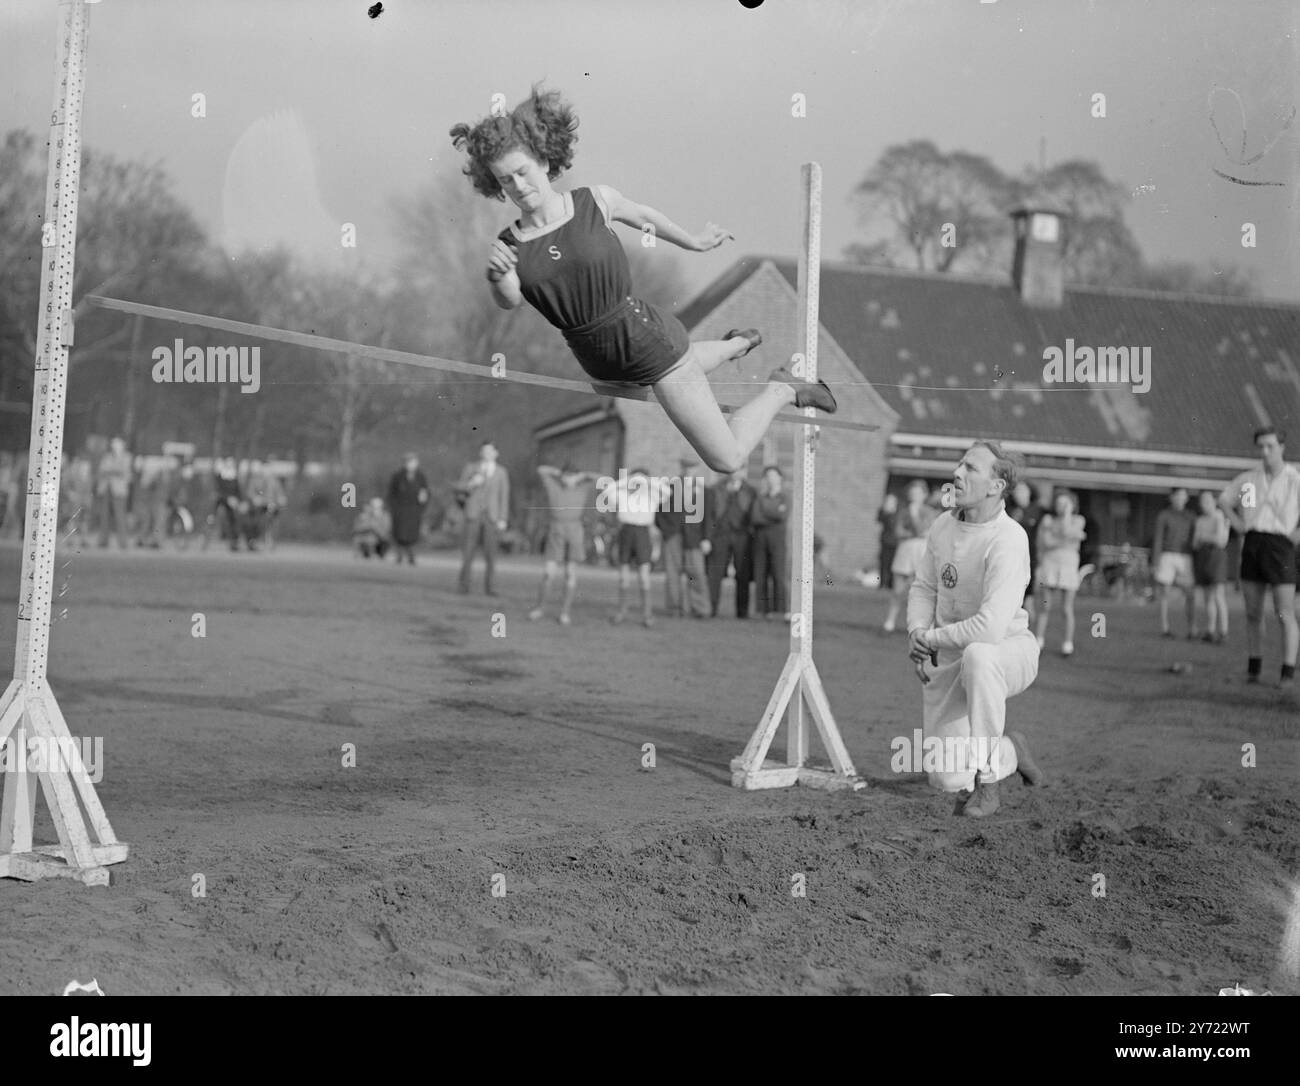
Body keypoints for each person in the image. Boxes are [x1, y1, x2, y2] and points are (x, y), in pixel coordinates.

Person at [451, 86, 838, 478]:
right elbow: (510, 299)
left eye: (522, 172)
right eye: (506, 181)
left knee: (728, 459)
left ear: (543, 160)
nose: (518, 186)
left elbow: (641, 215)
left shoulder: (592, 202)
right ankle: (736, 344)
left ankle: (783, 388)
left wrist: (695, 241)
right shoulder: (510, 243)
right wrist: (498, 277)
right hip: (600, 363)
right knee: (682, 365)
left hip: (643, 341)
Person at [907, 440, 1044, 819]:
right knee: (947, 779)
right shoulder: (942, 525)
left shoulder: (1010, 538)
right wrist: (916, 632)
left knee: (979, 655)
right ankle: (1011, 750)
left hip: (1008, 651)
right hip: (951, 653)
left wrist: (929, 638)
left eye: (970, 468)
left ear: (995, 486)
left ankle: (989, 783)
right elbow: (924, 587)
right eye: (960, 464)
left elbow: (988, 628)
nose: (957, 473)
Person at [1219, 427, 1300, 690]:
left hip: (1281, 546)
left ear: (1281, 447)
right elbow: (1224, 500)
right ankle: (1254, 666)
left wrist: (1295, 534)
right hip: (1253, 543)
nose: (1265, 452)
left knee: (1284, 612)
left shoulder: (1294, 480)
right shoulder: (1248, 480)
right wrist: (1238, 524)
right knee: (1253, 611)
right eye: (1261, 447)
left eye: (1270, 446)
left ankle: (1287, 671)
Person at [530, 462, 600, 625]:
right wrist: (559, 473)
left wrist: (581, 475)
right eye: (567, 476)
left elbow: (602, 478)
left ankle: (564, 612)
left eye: (572, 476)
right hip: (556, 531)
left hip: (574, 531)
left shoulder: (583, 487)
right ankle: (540, 608)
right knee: (548, 573)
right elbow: (541, 469)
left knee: (570, 573)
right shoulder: (554, 486)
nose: (569, 479)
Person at [600, 467, 661, 627]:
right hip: (626, 532)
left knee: (644, 575)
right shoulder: (623, 495)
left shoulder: (651, 496)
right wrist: (627, 480)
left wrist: (647, 481)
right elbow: (607, 491)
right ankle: (622, 611)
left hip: (642, 534)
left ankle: (647, 615)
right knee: (623, 575)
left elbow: (667, 492)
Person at [655, 462, 712, 620]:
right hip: (673, 536)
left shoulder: (703, 490)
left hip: (694, 538)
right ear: (681, 468)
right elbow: (659, 513)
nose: (688, 470)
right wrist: (667, 531)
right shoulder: (670, 488)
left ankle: (700, 608)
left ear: (696, 469)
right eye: (686, 467)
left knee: (696, 573)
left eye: (692, 467)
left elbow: (709, 517)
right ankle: (674, 608)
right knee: (672, 573)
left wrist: (706, 538)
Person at [1035, 489, 1087, 656]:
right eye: (1058, 503)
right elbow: (1046, 542)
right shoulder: (1048, 519)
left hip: (1069, 567)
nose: (1061, 507)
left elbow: (1066, 532)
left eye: (1065, 504)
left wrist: (1067, 519)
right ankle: (1039, 639)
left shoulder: (1079, 520)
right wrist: (1070, 538)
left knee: (1067, 608)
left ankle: (1067, 643)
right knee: (1045, 605)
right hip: (1049, 565)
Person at [883, 480, 937, 633]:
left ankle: (924, 624)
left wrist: (914, 517)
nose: (914, 495)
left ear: (924, 495)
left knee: (923, 590)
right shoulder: (903, 511)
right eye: (912, 491)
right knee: (898, 590)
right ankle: (890, 621)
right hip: (905, 551)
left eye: (917, 492)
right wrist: (913, 532)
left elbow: (923, 529)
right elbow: (898, 532)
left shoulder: (928, 511)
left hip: (921, 551)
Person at [706, 469, 756, 619]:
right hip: (720, 535)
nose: (735, 473)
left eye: (739, 470)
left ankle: (742, 612)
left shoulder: (750, 490)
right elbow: (710, 515)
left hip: (742, 535)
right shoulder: (716, 488)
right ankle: (712, 608)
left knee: (742, 573)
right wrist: (709, 537)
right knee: (715, 573)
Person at [1152, 486, 1198, 639]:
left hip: (1185, 557)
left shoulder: (1191, 517)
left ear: (1186, 498)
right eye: (1177, 496)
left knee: (1190, 593)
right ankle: (1164, 628)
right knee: (1164, 592)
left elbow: (1195, 539)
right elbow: (1158, 538)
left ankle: (1192, 629)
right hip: (1167, 555)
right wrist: (1156, 561)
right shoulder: (1164, 515)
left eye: (1182, 496)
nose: (1180, 498)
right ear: (1171, 497)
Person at [750, 465, 790, 620]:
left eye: (773, 475)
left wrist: (766, 512)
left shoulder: (785, 497)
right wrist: (772, 513)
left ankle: (782, 609)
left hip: (778, 540)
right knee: (761, 574)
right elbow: (755, 517)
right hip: (761, 540)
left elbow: (782, 515)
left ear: (780, 477)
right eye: (768, 476)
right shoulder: (761, 497)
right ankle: (764, 610)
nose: (771, 479)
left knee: (778, 574)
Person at [1192, 490, 1230, 644]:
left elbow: (1220, 541)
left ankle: (1224, 631)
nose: (1205, 504)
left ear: (1214, 501)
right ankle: (1210, 630)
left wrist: (1204, 537)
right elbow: (1195, 543)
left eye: (1208, 501)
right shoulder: (1200, 520)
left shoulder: (1219, 516)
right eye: (1202, 501)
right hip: (1203, 558)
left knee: (1218, 595)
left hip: (1217, 558)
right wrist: (1207, 538)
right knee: (1208, 597)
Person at [1007, 481, 1046, 622]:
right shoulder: (1007, 509)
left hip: (1030, 556)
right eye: (1017, 490)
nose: (1019, 494)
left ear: (1030, 492)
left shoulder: (1038, 510)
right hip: (1009, 555)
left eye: (1023, 490)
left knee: (1027, 591)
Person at [388, 452, 430, 567]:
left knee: (412, 534)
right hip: (401, 509)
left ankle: (411, 555)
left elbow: (425, 492)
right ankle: (399, 555)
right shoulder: (397, 476)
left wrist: (422, 505)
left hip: (414, 510)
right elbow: (391, 494)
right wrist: (394, 508)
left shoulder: (421, 477)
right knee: (400, 533)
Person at [95, 436, 132, 549]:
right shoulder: (107, 456)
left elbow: (122, 470)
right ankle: (103, 541)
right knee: (104, 516)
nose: (114, 446)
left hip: (119, 491)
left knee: (120, 517)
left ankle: (123, 543)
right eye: (113, 444)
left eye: (117, 444)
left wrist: (111, 469)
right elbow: (102, 469)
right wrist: (112, 470)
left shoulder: (126, 457)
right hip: (106, 489)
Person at [876, 492, 899, 590]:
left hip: (896, 542)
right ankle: (883, 583)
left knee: (892, 564)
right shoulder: (883, 512)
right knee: (884, 562)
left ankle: (890, 584)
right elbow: (879, 523)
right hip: (886, 541)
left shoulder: (898, 513)